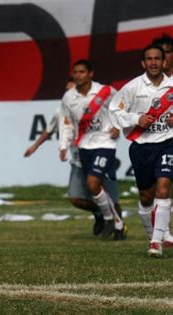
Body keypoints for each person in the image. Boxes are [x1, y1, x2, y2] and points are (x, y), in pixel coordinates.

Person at [24, 78, 120, 236]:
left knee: (110, 194)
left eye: (72, 88)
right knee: (75, 198)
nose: (69, 93)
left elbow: (118, 110)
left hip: (99, 151)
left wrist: (117, 127)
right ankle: (99, 213)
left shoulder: (95, 104)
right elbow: (50, 130)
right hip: (79, 158)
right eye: (67, 90)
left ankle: (118, 228)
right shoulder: (62, 109)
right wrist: (36, 146)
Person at [109, 44, 173, 257]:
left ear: (164, 62)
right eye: (149, 59)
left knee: (163, 186)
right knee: (146, 196)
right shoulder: (133, 87)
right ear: (143, 63)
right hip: (141, 147)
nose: (154, 62)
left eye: (157, 58)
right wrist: (137, 118)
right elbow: (114, 111)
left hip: (167, 143)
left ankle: (157, 241)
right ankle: (151, 235)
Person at [59, 59, 127, 240]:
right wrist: (63, 145)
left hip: (105, 144)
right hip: (83, 145)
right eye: (76, 72)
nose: (78, 75)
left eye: (82, 72)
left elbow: (123, 105)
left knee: (93, 182)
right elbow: (66, 123)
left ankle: (107, 218)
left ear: (91, 74)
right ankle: (118, 224)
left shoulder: (105, 91)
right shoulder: (69, 97)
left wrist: (118, 126)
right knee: (97, 188)